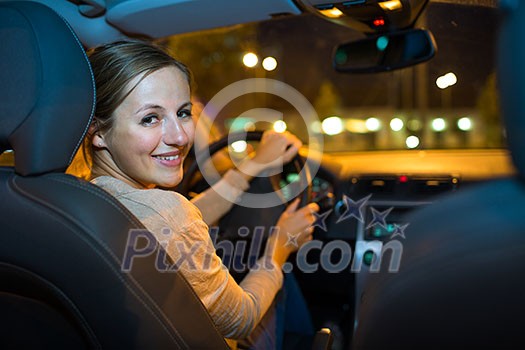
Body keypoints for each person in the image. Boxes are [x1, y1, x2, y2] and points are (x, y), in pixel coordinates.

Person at [83, 39, 319, 348]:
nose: (180, 137)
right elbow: (242, 318)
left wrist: (251, 167)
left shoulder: (77, 194)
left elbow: (170, 222)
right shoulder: (169, 215)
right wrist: (279, 247)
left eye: (182, 113)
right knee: (279, 282)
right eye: (150, 118)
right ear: (98, 132)